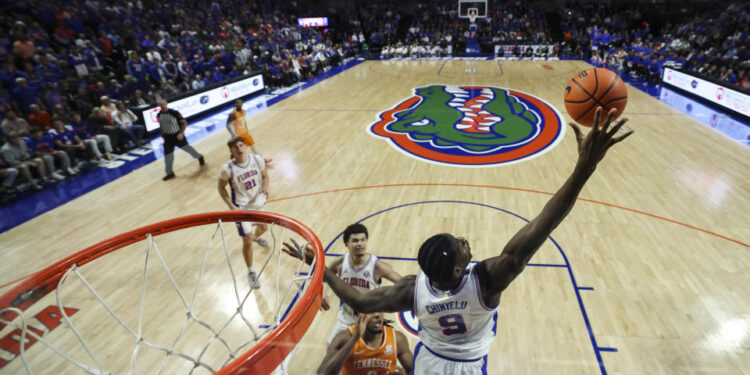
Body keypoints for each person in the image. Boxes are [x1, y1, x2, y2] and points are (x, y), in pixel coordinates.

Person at [284, 108, 633, 374]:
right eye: (462, 246)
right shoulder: (488, 279)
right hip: (468, 366)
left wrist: (318, 266)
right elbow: (545, 223)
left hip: (430, 362)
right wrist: (584, 168)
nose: (465, 242)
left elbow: (355, 296)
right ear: (456, 268)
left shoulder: (411, 290)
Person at [325, 223, 402, 344]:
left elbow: (402, 283)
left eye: (363, 240)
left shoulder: (377, 266)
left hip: (370, 321)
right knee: (331, 347)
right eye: (355, 241)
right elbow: (323, 277)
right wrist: (323, 294)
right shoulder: (339, 263)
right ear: (347, 244)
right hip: (346, 317)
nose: (360, 244)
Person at [217, 136, 269, 287]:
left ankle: (255, 237)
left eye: (241, 145)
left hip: (258, 204)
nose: (239, 149)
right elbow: (221, 188)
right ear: (231, 150)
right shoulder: (227, 169)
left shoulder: (257, 160)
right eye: (235, 147)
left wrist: (265, 187)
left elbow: (265, 176)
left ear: (245, 147)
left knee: (264, 228)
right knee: (246, 240)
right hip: (241, 208)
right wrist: (231, 206)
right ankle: (251, 271)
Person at [318, 313, 412, 375]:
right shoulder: (345, 338)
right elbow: (323, 373)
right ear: (359, 315)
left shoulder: (397, 339)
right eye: (371, 311)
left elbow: (414, 370)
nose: (377, 315)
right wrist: (353, 340)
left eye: (379, 309)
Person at [156, 99, 205, 181]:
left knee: (188, 149)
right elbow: (161, 125)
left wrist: (181, 133)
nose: (162, 106)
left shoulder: (174, 113)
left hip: (177, 135)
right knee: (168, 156)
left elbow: (184, 123)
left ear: (166, 104)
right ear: (159, 106)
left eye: (163, 104)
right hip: (168, 137)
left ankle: (199, 156)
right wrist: (162, 133)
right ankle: (170, 173)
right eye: (161, 105)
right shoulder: (159, 114)